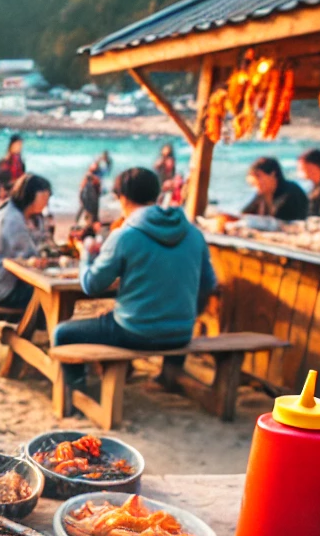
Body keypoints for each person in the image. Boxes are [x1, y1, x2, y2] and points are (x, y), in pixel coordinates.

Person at [53, 167, 217, 391]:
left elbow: (91, 285)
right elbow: (209, 284)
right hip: (182, 333)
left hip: (135, 332)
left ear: (122, 198)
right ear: (157, 194)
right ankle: (167, 374)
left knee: (62, 333)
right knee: (113, 316)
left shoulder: (124, 235)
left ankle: (75, 393)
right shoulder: (193, 233)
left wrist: (86, 255)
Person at [0, 174, 52, 309]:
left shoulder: (10, 210)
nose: (46, 203)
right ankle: (26, 324)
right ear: (32, 196)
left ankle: (27, 323)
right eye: (44, 198)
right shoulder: (11, 219)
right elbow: (30, 258)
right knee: (47, 296)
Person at [242, 157, 309, 222]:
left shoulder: (290, 193)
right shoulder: (263, 192)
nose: (255, 180)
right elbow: (245, 214)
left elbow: (280, 221)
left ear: (273, 174)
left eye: (258, 176)